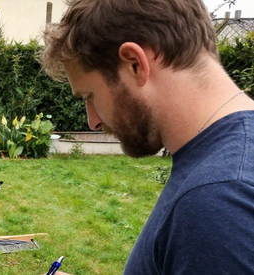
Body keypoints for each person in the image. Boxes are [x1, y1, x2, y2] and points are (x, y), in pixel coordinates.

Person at [39, 0, 254, 274]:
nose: (93, 121)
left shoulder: (219, 201)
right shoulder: (221, 168)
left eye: (89, 96)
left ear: (135, 64)